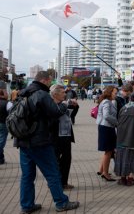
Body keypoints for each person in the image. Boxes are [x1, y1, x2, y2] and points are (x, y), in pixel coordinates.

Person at [15, 71, 79, 213]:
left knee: (27, 176)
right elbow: (55, 112)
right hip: (39, 141)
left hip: (23, 140)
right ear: (44, 80)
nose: (50, 83)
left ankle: (26, 205)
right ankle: (61, 202)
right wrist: (64, 105)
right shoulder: (41, 94)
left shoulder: (23, 93)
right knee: (53, 172)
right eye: (49, 81)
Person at [50, 85, 75, 190]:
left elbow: (71, 116)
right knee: (55, 161)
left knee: (66, 160)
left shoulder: (63, 104)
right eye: (62, 92)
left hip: (66, 136)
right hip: (55, 137)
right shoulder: (51, 105)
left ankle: (63, 182)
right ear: (55, 94)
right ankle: (55, 183)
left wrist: (74, 106)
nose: (65, 94)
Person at [96, 86, 118, 181]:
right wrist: (117, 123)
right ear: (110, 92)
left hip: (107, 127)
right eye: (115, 93)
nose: (116, 95)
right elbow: (106, 115)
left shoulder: (108, 102)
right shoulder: (106, 102)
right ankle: (105, 173)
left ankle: (102, 170)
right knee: (108, 151)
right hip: (106, 127)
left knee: (108, 151)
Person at [0, 89, 9, 165]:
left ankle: (1, 159)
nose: (8, 94)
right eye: (6, 93)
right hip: (3, 123)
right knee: (2, 141)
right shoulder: (7, 103)